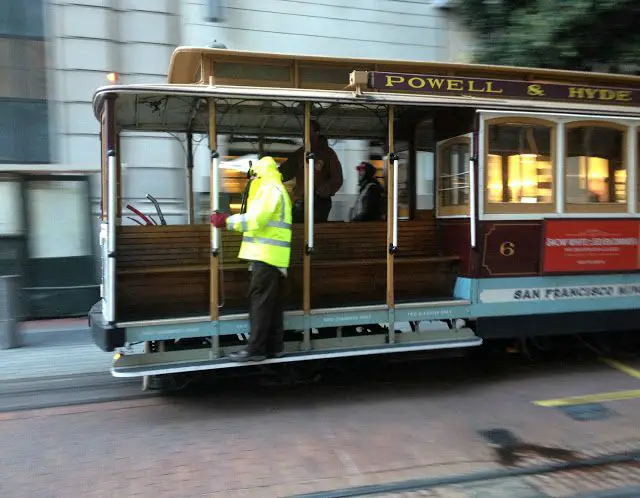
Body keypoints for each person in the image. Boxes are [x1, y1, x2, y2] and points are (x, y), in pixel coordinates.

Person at [210, 156, 292, 362]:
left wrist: (227, 221)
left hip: (266, 256)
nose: (251, 179)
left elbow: (256, 220)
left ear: (259, 173)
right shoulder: (275, 188)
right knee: (271, 304)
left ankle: (255, 349)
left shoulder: (269, 189)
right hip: (273, 257)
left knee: (260, 303)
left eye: (253, 175)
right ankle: (274, 346)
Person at [279, 120, 343, 222]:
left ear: (317, 133)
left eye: (308, 131)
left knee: (315, 230)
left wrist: (320, 192)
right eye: (304, 131)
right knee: (294, 226)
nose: (304, 134)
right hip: (301, 200)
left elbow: (337, 179)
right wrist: (266, 175)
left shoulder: (328, 154)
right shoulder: (299, 154)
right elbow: (284, 172)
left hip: (320, 202)